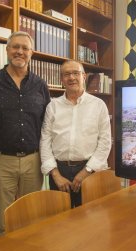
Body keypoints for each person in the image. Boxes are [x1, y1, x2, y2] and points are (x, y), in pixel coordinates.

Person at [0, 31, 50, 236]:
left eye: (25, 48)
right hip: (1, 161)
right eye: (15, 47)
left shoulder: (40, 85)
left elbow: (46, 122)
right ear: (7, 50)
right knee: (3, 220)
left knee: (31, 216)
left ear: (32, 53)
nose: (20, 51)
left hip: (33, 160)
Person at [40, 60, 112, 207]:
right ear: (61, 79)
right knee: (59, 220)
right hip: (59, 171)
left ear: (84, 76)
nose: (71, 78)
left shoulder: (98, 105)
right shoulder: (52, 106)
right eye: (67, 74)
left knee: (89, 220)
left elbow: (105, 142)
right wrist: (56, 175)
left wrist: (86, 171)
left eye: (75, 73)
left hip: (90, 170)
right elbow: (45, 141)